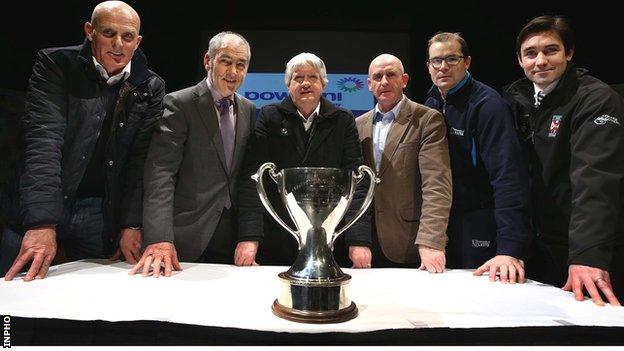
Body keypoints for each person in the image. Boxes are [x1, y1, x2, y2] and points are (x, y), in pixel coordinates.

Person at [1, 1, 165, 281]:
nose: (118, 44)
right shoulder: (56, 64)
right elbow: (43, 140)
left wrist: (131, 224)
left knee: (95, 302)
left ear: (137, 42)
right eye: (108, 33)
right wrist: (41, 220)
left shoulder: (150, 86)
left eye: (127, 37)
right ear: (90, 31)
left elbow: (139, 163)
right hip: (36, 205)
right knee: (14, 294)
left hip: (97, 210)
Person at [504, 15, 624, 305]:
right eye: (530, 54)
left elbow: (595, 179)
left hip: (587, 253)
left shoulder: (596, 98)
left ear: (568, 53)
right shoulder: (514, 99)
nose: (540, 61)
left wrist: (588, 255)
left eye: (551, 50)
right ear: (520, 60)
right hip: (537, 248)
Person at [129, 32, 256, 277]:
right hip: (184, 237)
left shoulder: (248, 109)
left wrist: (249, 235)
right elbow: (160, 174)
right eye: (226, 61)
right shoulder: (180, 103)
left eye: (241, 65)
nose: (233, 71)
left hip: (232, 239)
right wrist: (159, 238)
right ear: (208, 61)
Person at [236, 52, 371, 268]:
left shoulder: (343, 120)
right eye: (298, 78)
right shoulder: (270, 117)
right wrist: (249, 237)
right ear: (288, 84)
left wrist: (359, 240)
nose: (305, 83)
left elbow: (356, 183)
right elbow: (253, 180)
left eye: (313, 77)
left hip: (329, 238)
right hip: (277, 237)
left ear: (323, 84)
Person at [424, 33, 530, 283]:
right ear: (428, 66)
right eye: (436, 60)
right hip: (446, 224)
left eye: (452, 58)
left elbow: (508, 177)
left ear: (467, 62)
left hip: (482, 223)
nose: (443, 66)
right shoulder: (431, 102)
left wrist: (508, 249)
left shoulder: (488, 105)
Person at [355, 54, 452, 271]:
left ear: (404, 80)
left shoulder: (427, 120)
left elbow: (436, 185)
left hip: (411, 242)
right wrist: (356, 239)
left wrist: (431, 241)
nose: (384, 82)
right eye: (377, 77)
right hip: (367, 245)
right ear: (369, 85)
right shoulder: (357, 125)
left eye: (391, 75)